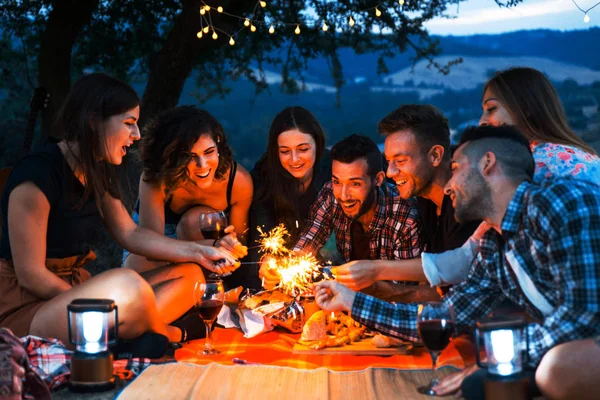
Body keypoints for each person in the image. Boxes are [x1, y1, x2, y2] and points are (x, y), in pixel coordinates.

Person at [314, 125, 600, 398]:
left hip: (580, 350)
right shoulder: (493, 246)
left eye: (455, 169)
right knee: (485, 383)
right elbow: (445, 316)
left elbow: (582, 316)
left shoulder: (561, 201)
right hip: (573, 352)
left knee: (553, 370)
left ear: (488, 163)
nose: (448, 185)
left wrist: (497, 358)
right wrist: (351, 301)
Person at [0, 73, 237, 346]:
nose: (136, 135)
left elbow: (130, 234)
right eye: (129, 124)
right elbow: (31, 275)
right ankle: (169, 333)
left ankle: (125, 331)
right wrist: (87, 305)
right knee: (128, 285)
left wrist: (200, 251)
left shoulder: (96, 169)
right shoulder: (38, 175)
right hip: (28, 308)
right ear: (93, 121)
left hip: (74, 293)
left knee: (191, 275)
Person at [330, 105, 480, 291]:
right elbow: (437, 290)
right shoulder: (425, 200)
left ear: (435, 155)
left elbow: (456, 288)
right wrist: (374, 291)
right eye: (388, 161)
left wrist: (375, 270)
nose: (391, 173)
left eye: (400, 161)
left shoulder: (467, 206)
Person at [261, 134, 426, 301]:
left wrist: (346, 290)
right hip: (346, 295)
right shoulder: (330, 194)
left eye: (355, 184)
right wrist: (283, 266)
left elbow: (403, 291)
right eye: (337, 181)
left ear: (378, 179)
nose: (344, 195)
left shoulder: (404, 217)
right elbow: (309, 240)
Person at [122, 106, 251, 288]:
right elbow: (151, 248)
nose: (202, 165)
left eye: (209, 152)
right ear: (172, 156)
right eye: (190, 156)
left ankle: (202, 291)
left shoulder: (238, 181)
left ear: (218, 143)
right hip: (158, 244)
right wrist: (208, 247)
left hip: (203, 241)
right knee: (135, 281)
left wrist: (230, 244)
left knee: (198, 219)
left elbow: (241, 239)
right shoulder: (156, 179)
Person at [248, 106, 332, 287]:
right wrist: (264, 260)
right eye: (285, 151)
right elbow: (260, 227)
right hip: (282, 269)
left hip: (328, 264)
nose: (294, 159)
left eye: (303, 149)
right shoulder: (263, 176)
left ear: (317, 144)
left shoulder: (333, 170)